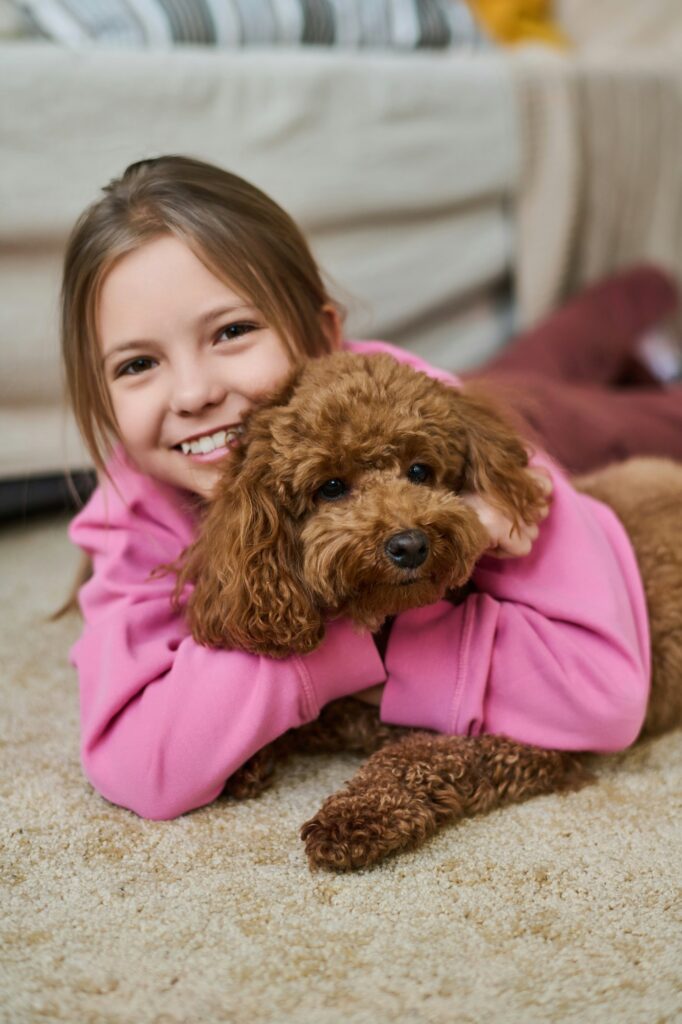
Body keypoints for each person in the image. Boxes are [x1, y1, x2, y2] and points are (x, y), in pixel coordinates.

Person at [62, 155, 650, 821]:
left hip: (533, 425)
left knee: (615, 415)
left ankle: (636, 298)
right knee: (538, 363)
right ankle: (620, 314)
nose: (196, 393)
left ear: (325, 335)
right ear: (101, 398)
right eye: (138, 364)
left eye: (232, 331)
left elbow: (607, 696)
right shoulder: (133, 512)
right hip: (492, 391)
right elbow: (143, 767)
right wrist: (361, 634)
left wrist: (472, 523)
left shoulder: (441, 430)